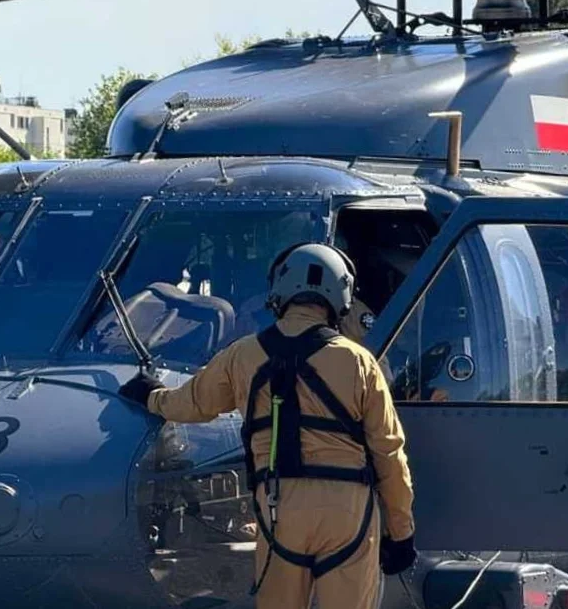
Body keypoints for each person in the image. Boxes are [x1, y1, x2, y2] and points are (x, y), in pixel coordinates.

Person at [119, 243, 417, 609]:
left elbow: (191, 405)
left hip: (279, 508)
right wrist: (400, 533)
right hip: (348, 512)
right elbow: (389, 453)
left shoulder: (242, 355)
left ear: (280, 291)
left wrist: (152, 396)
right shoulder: (360, 362)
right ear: (341, 297)